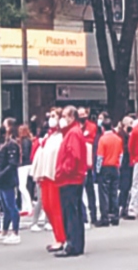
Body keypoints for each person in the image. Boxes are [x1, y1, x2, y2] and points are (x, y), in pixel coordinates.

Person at [53, 107, 88, 258]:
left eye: (65, 116)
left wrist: (63, 171)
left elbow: (73, 156)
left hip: (70, 179)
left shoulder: (72, 133)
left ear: (72, 117)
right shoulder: (73, 132)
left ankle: (73, 244)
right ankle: (76, 244)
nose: (62, 118)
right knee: (74, 212)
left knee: (71, 212)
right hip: (72, 178)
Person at [30, 111, 66, 251]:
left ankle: (61, 237)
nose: (50, 119)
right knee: (47, 206)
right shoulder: (49, 136)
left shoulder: (61, 137)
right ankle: (58, 236)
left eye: (54, 116)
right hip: (45, 175)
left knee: (55, 207)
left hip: (53, 176)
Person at [0, 118, 22, 245]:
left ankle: (15, 232)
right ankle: (5, 230)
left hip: (8, 179)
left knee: (11, 206)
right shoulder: (3, 143)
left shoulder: (12, 144)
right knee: (5, 207)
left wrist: (1, 173)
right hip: (2, 180)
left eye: (5, 125)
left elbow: (12, 163)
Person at [96, 116, 123, 227]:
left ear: (103, 128)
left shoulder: (102, 140)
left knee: (104, 194)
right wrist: (118, 166)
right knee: (114, 192)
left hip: (105, 167)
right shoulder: (118, 139)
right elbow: (121, 155)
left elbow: (100, 157)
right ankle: (115, 216)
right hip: (115, 167)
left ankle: (105, 217)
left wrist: (98, 170)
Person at [116, 116, 134, 222]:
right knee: (124, 186)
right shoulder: (121, 135)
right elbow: (124, 148)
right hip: (124, 163)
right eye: (131, 122)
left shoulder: (129, 134)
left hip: (129, 163)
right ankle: (121, 205)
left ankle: (124, 205)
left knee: (127, 186)